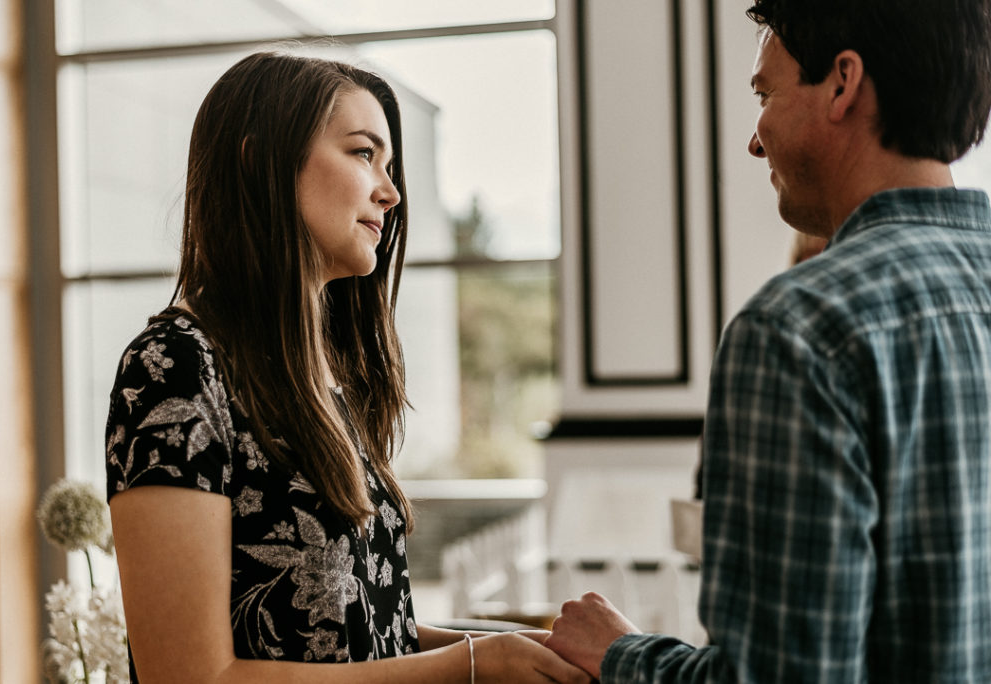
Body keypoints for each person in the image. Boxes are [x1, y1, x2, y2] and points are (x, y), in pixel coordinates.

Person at [105, 51, 590, 684]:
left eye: (389, 167)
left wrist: (509, 647)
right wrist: (469, 665)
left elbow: (350, 628)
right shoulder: (172, 370)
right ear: (260, 163)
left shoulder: (322, 377)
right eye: (364, 154)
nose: (390, 192)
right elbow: (192, 675)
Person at [545, 0, 991, 682]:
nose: (755, 139)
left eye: (765, 93)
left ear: (842, 83)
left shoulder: (799, 330)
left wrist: (621, 656)